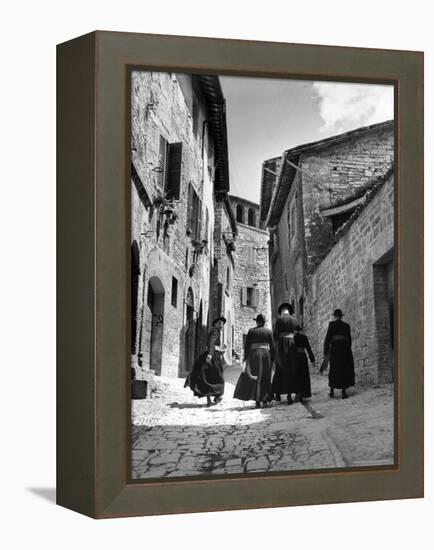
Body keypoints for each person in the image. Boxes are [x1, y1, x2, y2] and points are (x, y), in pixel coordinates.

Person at [233, 314, 275, 408]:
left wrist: (245, 357)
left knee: (255, 376)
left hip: (254, 355)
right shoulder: (268, 332)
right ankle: (265, 399)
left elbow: (247, 345)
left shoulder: (251, 331)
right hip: (265, 355)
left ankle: (257, 400)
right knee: (265, 376)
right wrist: (273, 358)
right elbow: (272, 346)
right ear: (264, 322)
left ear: (257, 322)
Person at [184, 316, 227, 406]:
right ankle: (217, 396)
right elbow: (211, 343)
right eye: (219, 323)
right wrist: (210, 354)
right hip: (213, 357)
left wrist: (221, 350)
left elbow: (214, 345)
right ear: (215, 324)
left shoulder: (216, 332)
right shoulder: (215, 331)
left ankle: (210, 399)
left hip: (215, 355)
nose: (221, 325)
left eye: (222, 324)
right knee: (218, 377)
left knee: (207, 376)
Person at [322, 309, 355, 399]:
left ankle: (332, 391)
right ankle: (343, 392)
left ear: (335, 316)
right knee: (344, 369)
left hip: (335, 350)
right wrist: (348, 350)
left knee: (334, 369)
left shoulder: (331, 325)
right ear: (341, 316)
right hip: (344, 350)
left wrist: (325, 351)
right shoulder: (346, 326)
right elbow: (349, 340)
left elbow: (328, 338)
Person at [271, 302, 298, 404]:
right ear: (289, 311)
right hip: (292, 345)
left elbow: (275, 334)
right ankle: (290, 395)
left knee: (280, 368)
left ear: (282, 311)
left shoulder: (279, 319)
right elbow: (297, 332)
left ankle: (277, 394)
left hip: (282, 345)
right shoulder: (294, 320)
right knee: (291, 368)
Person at [293, 325, 315, 403]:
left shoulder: (292, 338)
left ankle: (297, 393)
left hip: (295, 358)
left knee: (296, 375)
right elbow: (308, 348)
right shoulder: (304, 337)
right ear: (300, 330)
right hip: (302, 357)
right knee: (303, 375)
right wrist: (312, 359)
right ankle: (303, 393)